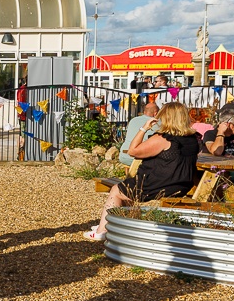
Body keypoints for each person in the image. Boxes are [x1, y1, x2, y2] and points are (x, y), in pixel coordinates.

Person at [86, 102, 202, 240]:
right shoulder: (193, 139)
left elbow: (132, 151)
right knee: (126, 190)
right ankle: (112, 224)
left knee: (117, 190)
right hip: (181, 185)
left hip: (157, 185)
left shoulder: (163, 139)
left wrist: (143, 128)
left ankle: (102, 231)